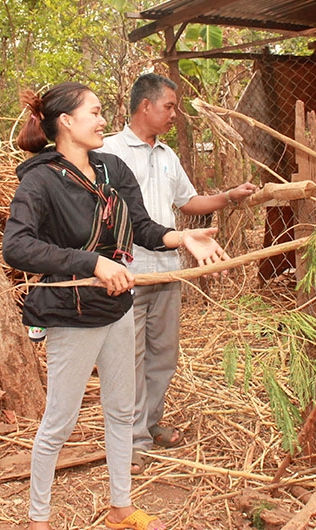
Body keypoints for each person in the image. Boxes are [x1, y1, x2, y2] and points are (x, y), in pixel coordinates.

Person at [2, 82, 228, 530]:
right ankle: (37, 519)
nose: (104, 120)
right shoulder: (40, 180)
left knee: (121, 410)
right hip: (71, 312)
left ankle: (120, 508)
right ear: (66, 122)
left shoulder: (112, 169)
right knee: (59, 422)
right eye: (96, 112)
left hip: (117, 307)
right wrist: (92, 262)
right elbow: (17, 246)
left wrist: (182, 237)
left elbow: (142, 227)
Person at [99, 72, 257, 473]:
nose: (175, 114)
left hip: (169, 271)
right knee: (128, 360)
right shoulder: (109, 152)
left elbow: (188, 202)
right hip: (127, 274)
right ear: (145, 106)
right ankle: (130, 441)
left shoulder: (168, 156)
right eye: (169, 106)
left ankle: (149, 424)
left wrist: (227, 197)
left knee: (162, 356)